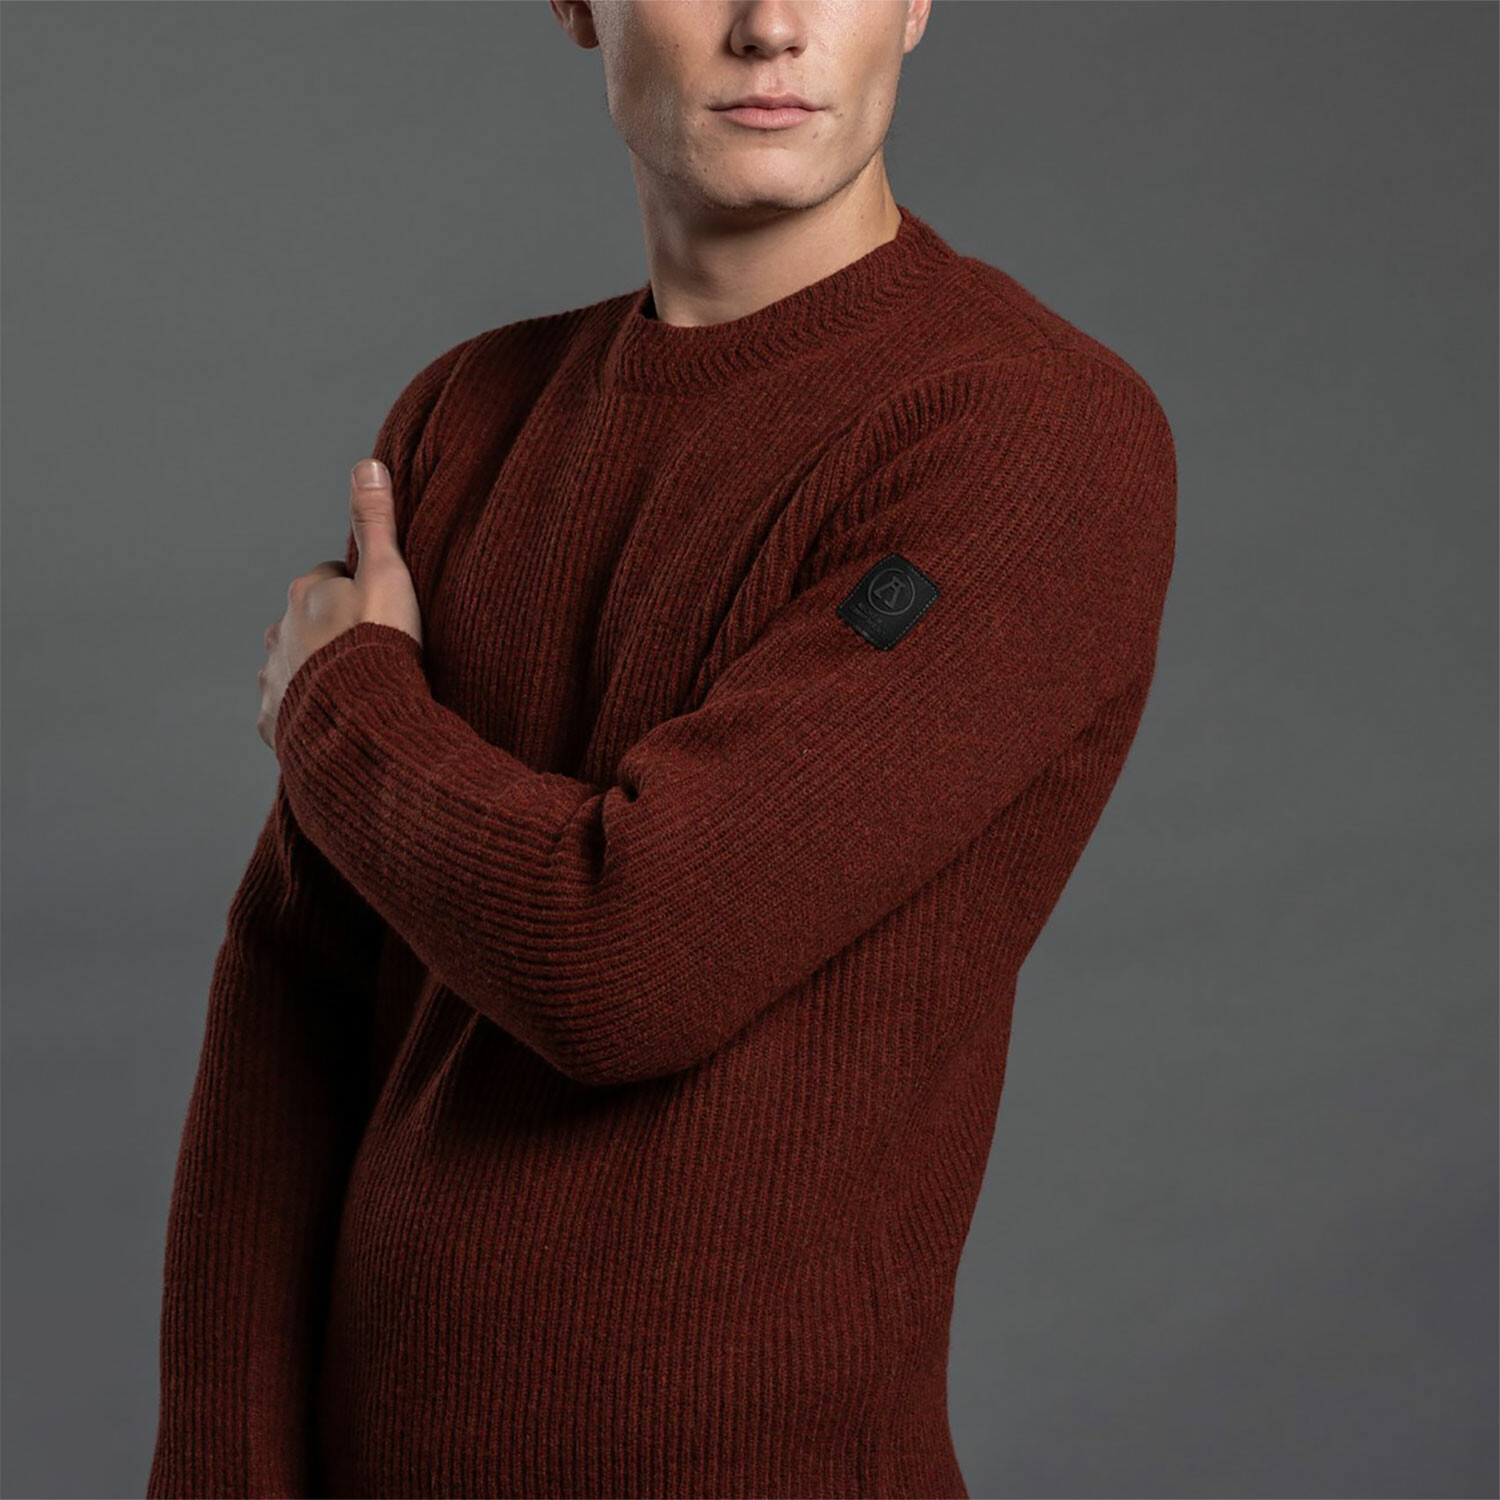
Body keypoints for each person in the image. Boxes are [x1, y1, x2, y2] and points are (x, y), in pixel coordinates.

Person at [146, 2, 1177, 1496]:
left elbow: (628, 955)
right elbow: (292, 1002)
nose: (771, 26)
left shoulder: (1030, 435)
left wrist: (336, 707)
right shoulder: (464, 417)